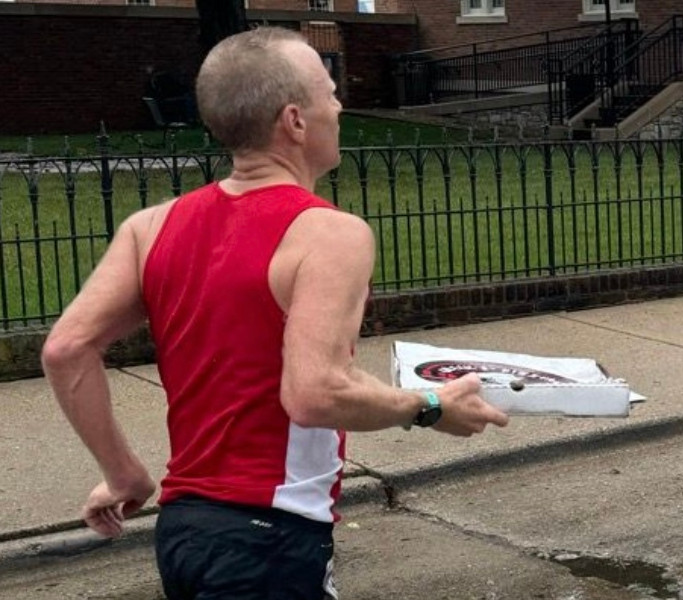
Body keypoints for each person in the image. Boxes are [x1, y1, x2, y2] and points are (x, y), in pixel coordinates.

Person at [41, 26, 509, 600]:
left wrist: (123, 475)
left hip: (185, 533)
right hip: (270, 539)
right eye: (329, 93)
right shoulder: (329, 234)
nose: (339, 107)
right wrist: (431, 407)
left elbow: (66, 350)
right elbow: (314, 393)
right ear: (295, 121)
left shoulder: (150, 227)